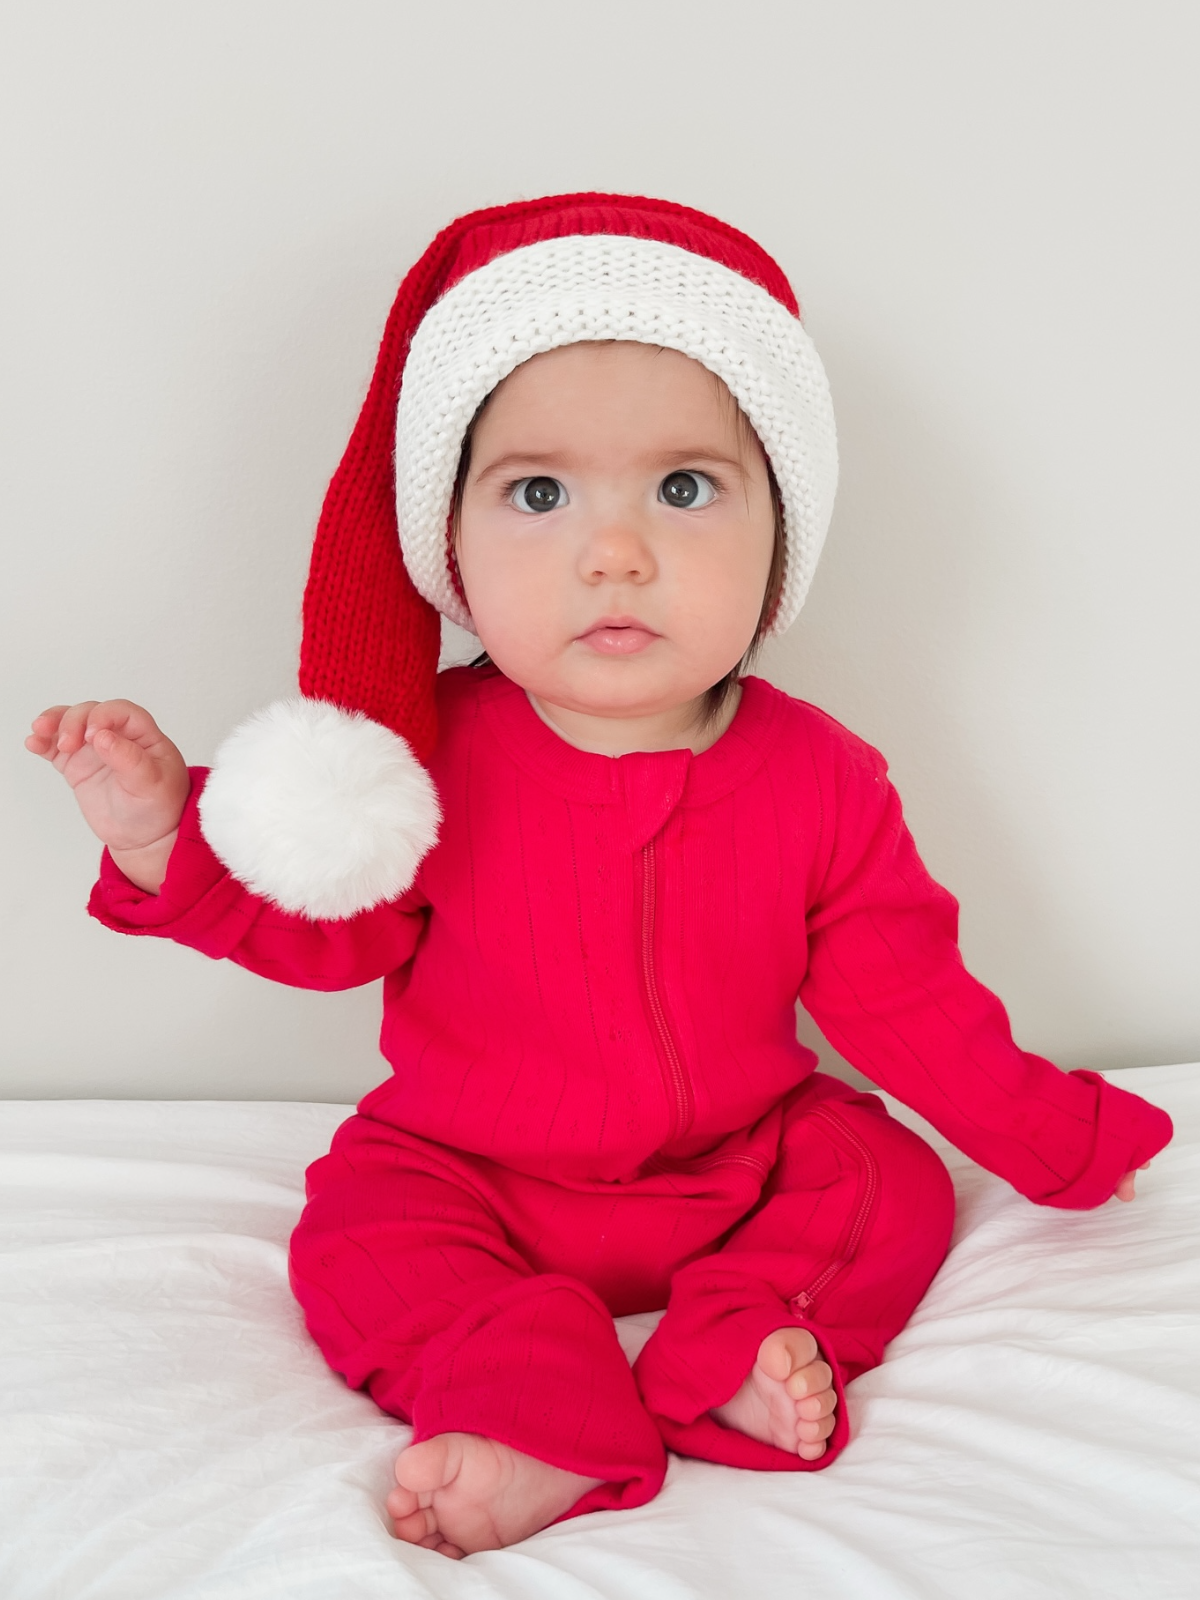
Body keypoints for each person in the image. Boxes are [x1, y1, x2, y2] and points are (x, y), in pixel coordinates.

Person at [26, 194, 1172, 1561]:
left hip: (736, 1165)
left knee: (883, 1176)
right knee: (355, 1236)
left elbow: (910, 1005)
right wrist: (164, 832)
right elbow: (318, 924)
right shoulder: (418, 759)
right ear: (449, 546)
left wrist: (1066, 1143)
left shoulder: (824, 777)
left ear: (779, 545)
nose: (614, 551)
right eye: (539, 492)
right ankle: (530, 1407)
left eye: (685, 490)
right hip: (469, 1170)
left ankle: (740, 1345)